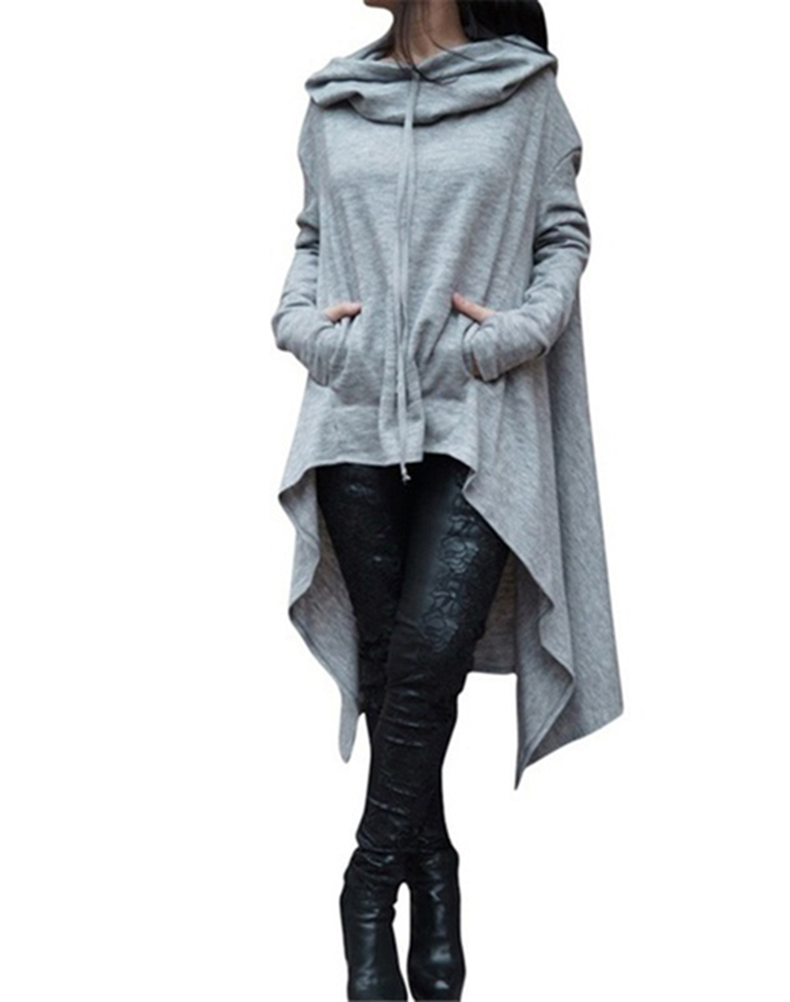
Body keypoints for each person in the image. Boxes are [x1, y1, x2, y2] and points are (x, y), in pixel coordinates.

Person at [270, 2, 624, 999]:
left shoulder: (526, 96)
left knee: (428, 654)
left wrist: (515, 333)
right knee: (391, 670)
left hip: (478, 417)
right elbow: (310, 239)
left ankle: (367, 882)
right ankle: (433, 872)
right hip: (352, 423)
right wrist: (302, 327)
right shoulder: (335, 102)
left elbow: (562, 236)